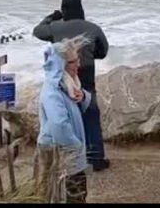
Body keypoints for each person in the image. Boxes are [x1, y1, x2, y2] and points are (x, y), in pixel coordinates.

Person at [33, 0, 110, 171]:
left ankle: (71, 154)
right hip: (86, 75)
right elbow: (103, 51)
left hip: (63, 76)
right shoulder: (93, 28)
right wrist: (89, 55)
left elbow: (37, 31)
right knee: (90, 114)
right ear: (81, 8)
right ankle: (96, 157)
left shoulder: (55, 27)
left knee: (66, 116)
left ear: (63, 9)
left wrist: (52, 17)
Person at [37, 35, 92, 203]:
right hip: (60, 153)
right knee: (68, 195)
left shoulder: (69, 84)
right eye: (73, 62)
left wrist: (82, 96)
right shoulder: (52, 91)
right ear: (60, 66)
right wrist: (75, 146)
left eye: (78, 60)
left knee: (77, 193)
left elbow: (79, 105)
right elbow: (59, 125)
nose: (78, 65)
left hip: (69, 152)